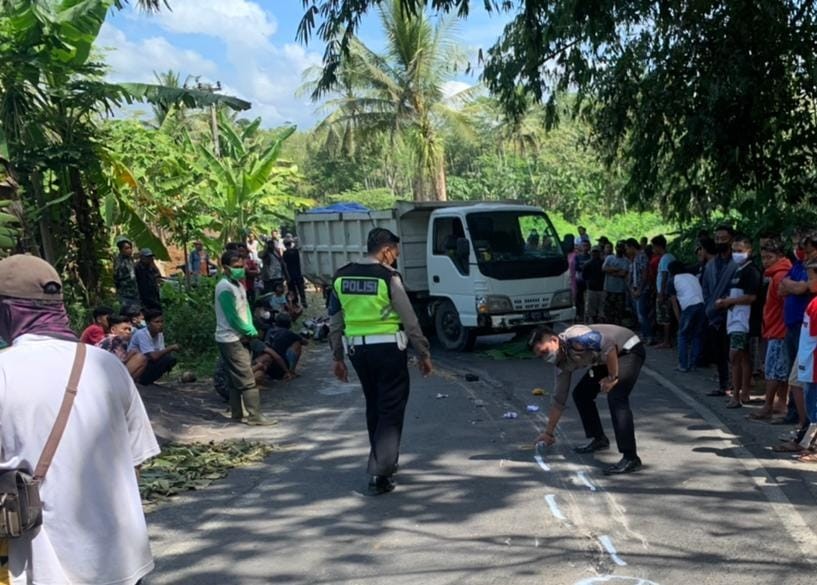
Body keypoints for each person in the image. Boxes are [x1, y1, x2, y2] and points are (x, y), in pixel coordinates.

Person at [0, 254, 159, 584]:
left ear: (6, 312)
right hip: (122, 564)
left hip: (40, 570)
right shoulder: (108, 365)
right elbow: (136, 463)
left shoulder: (3, 372)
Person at [329, 228, 433, 495]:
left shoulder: (342, 277)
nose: (395, 258)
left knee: (374, 405)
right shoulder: (388, 277)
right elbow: (410, 321)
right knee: (391, 409)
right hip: (388, 350)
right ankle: (381, 472)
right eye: (395, 253)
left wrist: (337, 357)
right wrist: (423, 354)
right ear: (386, 250)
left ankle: (382, 459)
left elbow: (335, 322)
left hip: (358, 353)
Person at [531, 323, 646, 475]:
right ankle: (599, 439)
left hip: (627, 350)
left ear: (554, 340)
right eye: (541, 356)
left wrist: (612, 378)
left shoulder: (577, 337)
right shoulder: (562, 363)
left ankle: (631, 457)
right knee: (581, 394)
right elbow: (559, 398)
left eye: (545, 352)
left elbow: (610, 345)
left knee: (616, 396)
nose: (545, 358)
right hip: (606, 358)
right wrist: (548, 433)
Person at [215, 249, 273, 425]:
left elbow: (245, 309)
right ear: (225, 268)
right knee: (247, 378)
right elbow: (232, 317)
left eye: (242, 266)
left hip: (240, 336)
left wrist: (250, 327)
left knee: (235, 378)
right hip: (231, 338)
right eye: (236, 267)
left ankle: (237, 412)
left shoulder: (238, 285)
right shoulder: (224, 287)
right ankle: (255, 415)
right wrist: (249, 331)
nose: (240, 269)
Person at [715, 235, 761, 407]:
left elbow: (750, 297)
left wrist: (728, 302)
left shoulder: (751, 271)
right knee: (742, 358)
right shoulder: (737, 270)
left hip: (743, 321)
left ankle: (736, 395)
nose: (736, 254)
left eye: (740, 251)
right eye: (734, 251)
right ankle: (744, 394)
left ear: (749, 251)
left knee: (734, 357)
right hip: (733, 318)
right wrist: (725, 301)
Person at [748, 240, 793, 415]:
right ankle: (780, 403)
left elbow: (784, 304)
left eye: (770, 257)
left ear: (780, 257)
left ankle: (769, 405)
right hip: (776, 328)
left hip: (779, 330)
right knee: (779, 370)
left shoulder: (779, 276)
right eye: (764, 257)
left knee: (773, 371)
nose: (766, 261)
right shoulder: (777, 274)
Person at [702, 225, 737, 396]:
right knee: (718, 352)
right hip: (714, 314)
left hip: (733, 312)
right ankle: (723, 384)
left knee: (734, 353)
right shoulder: (710, 265)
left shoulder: (737, 263)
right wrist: (710, 306)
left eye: (724, 239)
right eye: (717, 239)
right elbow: (706, 289)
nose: (720, 242)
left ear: (731, 240)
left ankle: (735, 386)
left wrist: (727, 302)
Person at [794, 260, 817, 463]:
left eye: (811, 278)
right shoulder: (813, 303)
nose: (808, 282)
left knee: (814, 408)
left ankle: (814, 448)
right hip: (808, 362)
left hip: (814, 366)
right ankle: (809, 444)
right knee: (812, 408)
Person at [668, 261, 705, 372]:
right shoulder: (692, 276)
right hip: (701, 305)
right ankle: (694, 363)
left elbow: (674, 303)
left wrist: (679, 320)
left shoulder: (673, 280)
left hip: (689, 306)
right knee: (696, 335)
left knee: (682, 335)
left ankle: (683, 364)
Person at [128, 308, 179, 385]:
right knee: (164, 359)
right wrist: (171, 348)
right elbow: (153, 356)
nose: (160, 324)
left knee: (169, 360)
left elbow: (161, 353)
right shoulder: (141, 334)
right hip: (137, 364)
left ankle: (148, 380)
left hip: (148, 362)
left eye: (161, 322)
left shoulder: (159, 334)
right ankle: (140, 380)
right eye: (157, 322)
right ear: (148, 323)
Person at [97, 314, 148, 381]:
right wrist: (131, 354)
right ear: (113, 330)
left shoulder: (110, 339)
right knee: (141, 358)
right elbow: (117, 363)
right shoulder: (114, 340)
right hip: (104, 376)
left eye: (129, 329)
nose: (128, 332)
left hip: (104, 373)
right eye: (124, 329)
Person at [625, 238, 653, 343]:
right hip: (634, 288)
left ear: (632, 247)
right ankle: (644, 334)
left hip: (642, 289)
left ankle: (649, 335)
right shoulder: (634, 258)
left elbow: (644, 274)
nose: (626, 251)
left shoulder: (642, 256)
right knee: (638, 313)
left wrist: (640, 289)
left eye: (627, 248)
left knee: (642, 313)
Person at [265, 313, 307, 378]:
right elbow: (305, 342)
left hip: (268, 367)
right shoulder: (288, 333)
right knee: (297, 343)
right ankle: (291, 371)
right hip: (281, 368)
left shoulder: (269, 331)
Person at [652, 235, 675, 348]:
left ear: (658, 246)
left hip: (665, 292)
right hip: (666, 291)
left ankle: (667, 341)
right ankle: (666, 340)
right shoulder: (668, 257)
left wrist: (661, 293)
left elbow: (665, 275)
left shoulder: (666, 258)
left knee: (665, 317)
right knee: (665, 317)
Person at [602, 241, 630, 325]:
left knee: (619, 312)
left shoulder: (626, 260)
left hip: (620, 290)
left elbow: (623, 273)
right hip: (609, 289)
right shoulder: (610, 258)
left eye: (621, 247)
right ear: (615, 248)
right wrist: (617, 270)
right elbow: (604, 268)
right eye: (618, 247)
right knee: (608, 311)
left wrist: (611, 271)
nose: (619, 249)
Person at [582, 245, 606, 323]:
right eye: (594, 252)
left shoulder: (603, 263)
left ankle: (599, 320)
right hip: (591, 288)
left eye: (597, 252)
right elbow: (584, 277)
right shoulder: (587, 264)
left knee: (601, 308)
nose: (595, 254)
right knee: (591, 309)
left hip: (601, 288)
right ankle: (592, 320)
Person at [113, 236, 139, 306]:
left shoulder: (130, 259)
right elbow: (117, 279)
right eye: (126, 248)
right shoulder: (119, 261)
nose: (129, 250)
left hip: (134, 292)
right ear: (121, 250)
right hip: (125, 293)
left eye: (130, 248)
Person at [284, 238, 308, 308]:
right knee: (301, 288)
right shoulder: (296, 251)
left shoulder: (285, 253)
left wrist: (286, 275)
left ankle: (295, 303)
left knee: (292, 289)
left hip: (290, 274)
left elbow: (285, 265)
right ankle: (304, 301)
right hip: (298, 273)